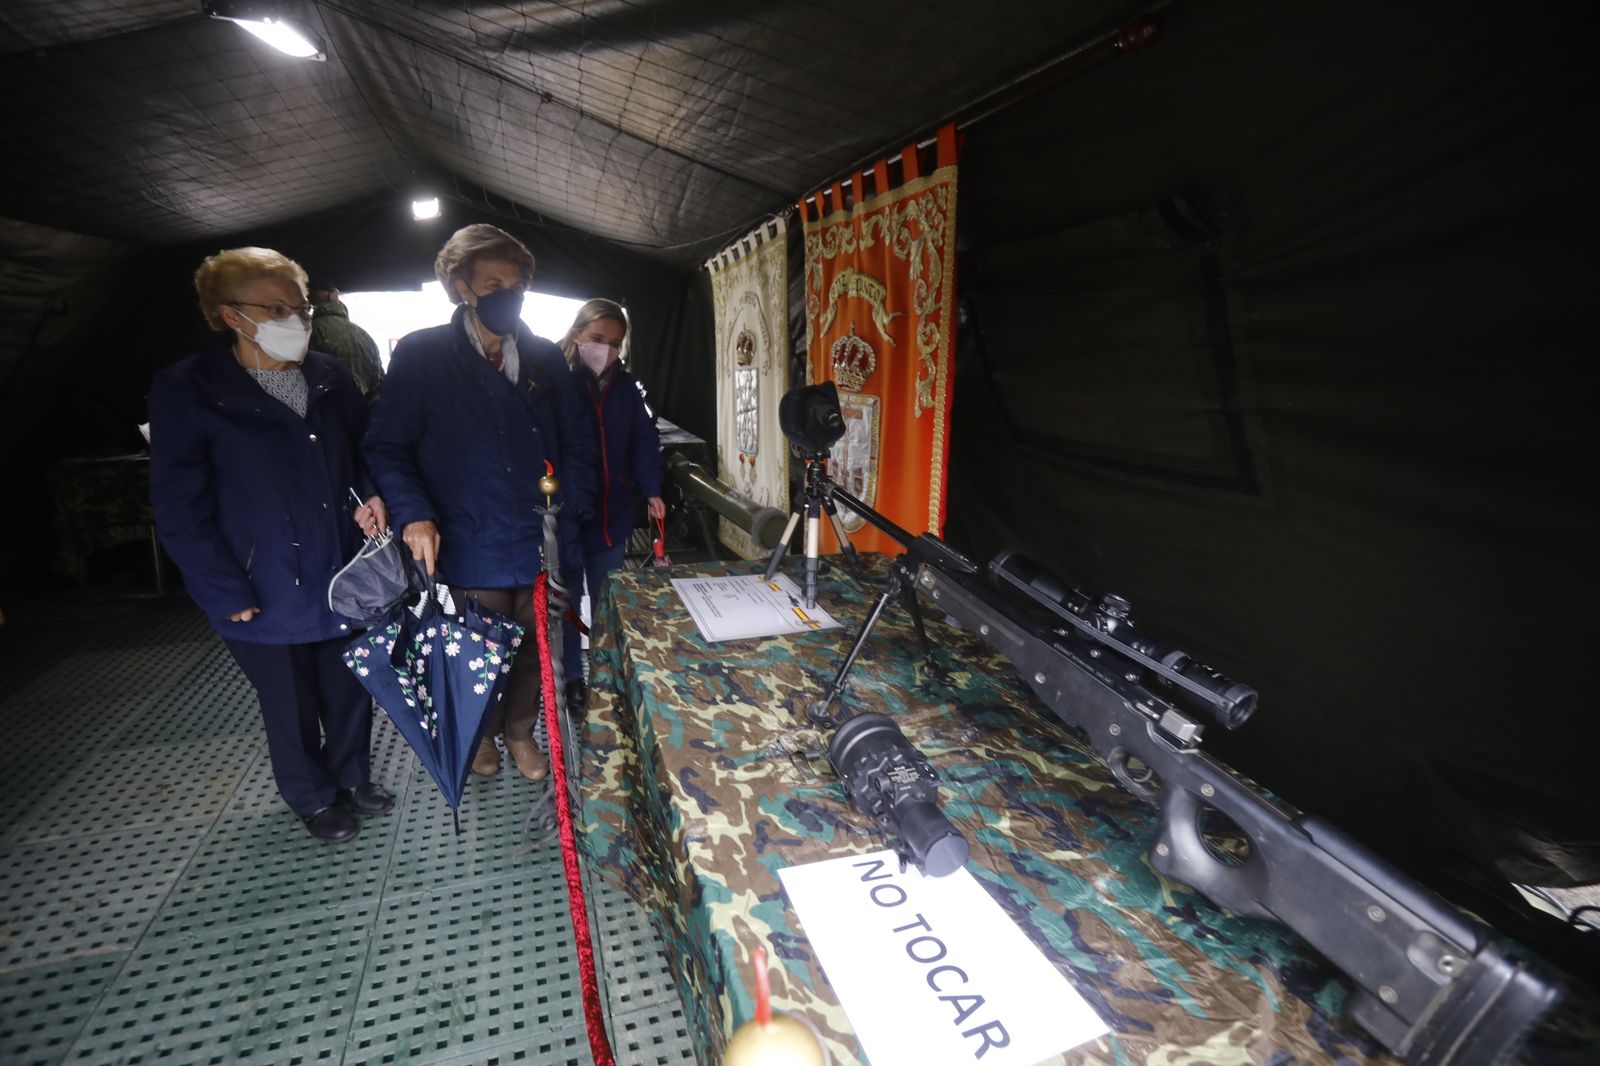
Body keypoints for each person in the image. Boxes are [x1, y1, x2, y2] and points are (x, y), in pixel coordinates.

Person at [148, 247, 394, 844]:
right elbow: (180, 505)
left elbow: (360, 458)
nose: (298, 321)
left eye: (301, 307)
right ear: (231, 315)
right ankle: (310, 797)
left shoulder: (329, 376)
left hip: (341, 568)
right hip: (261, 578)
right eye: (278, 308)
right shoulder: (189, 388)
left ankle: (352, 775)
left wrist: (373, 496)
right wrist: (221, 587)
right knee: (287, 700)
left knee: (351, 681)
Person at [363, 224, 596, 783]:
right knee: (477, 649)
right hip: (469, 534)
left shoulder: (542, 357)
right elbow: (386, 446)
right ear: (461, 286)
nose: (507, 293)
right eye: (493, 282)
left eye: (517, 283)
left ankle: (520, 733)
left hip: (541, 533)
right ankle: (484, 732)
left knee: (536, 649)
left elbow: (579, 441)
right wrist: (414, 512)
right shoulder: (423, 356)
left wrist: (574, 506)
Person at [559, 299, 664, 710]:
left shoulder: (626, 387)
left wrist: (652, 489)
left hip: (613, 516)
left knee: (608, 599)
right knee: (566, 600)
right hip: (569, 516)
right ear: (577, 335)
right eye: (597, 339)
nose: (606, 350)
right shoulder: (555, 382)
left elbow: (643, 441)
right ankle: (571, 679)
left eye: (615, 343)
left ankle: (605, 672)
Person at [309, 286, 385, 401]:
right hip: (361, 412)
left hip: (324, 412)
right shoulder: (363, 334)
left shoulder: (308, 331)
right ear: (333, 296)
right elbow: (376, 384)